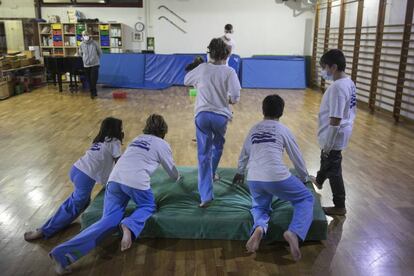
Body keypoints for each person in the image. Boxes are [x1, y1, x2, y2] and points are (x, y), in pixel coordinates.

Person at [49, 114, 181, 274]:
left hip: (114, 180)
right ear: (163, 131)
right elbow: (172, 173)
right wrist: (179, 178)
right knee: (148, 205)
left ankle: (62, 254)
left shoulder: (137, 138)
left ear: (146, 128)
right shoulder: (162, 144)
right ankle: (129, 224)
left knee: (108, 220)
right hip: (136, 182)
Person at [233, 95, 314, 261]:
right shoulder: (283, 130)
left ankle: (259, 229)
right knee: (305, 198)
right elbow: (296, 155)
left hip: (254, 178)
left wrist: (240, 171)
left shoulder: (254, 129)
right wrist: (304, 177)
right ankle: (294, 232)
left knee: (260, 207)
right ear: (282, 112)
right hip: (277, 178)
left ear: (263, 111)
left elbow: (244, 153)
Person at [24, 117, 123, 241]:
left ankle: (65, 222)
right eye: (120, 128)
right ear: (115, 130)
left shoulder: (99, 140)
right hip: (85, 176)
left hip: (77, 169)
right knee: (74, 205)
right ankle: (44, 231)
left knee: (82, 201)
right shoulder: (115, 142)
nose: (121, 130)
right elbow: (120, 162)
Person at [184, 38, 241, 208]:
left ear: (210, 53)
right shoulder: (229, 71)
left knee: (203, 156)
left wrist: (199, 81)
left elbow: (187, 80)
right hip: (220, 117)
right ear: (226, 53)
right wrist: (228, 99)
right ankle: (213, 172)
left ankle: (206, 196)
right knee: (218, 147)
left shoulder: (202, 68)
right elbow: (235, 98)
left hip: (202, 115)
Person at [310, 49, 357, 216]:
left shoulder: (338, 87)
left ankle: (339, 205)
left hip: (336, 134)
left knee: (334, 168)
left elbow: (335, 119)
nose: (323, 71)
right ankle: (320, 180)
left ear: (334, 67)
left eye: (325, 67)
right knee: (328, 160)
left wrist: (328, 143)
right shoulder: (348, 81)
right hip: (342, 131)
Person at [79, 30, 102, 99]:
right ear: (82, 36)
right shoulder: (81, 44)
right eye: (84, 35)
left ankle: (92, 92)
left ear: (89, 35)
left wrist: (95, 59)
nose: (85, 36)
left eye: (86, 34)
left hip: (95, 64)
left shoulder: (94, 43)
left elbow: (100, 52)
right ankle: (94, 91)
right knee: (89, 80)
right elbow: (81, 53)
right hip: (86, 65)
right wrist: (85, 59)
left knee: (93, 79)